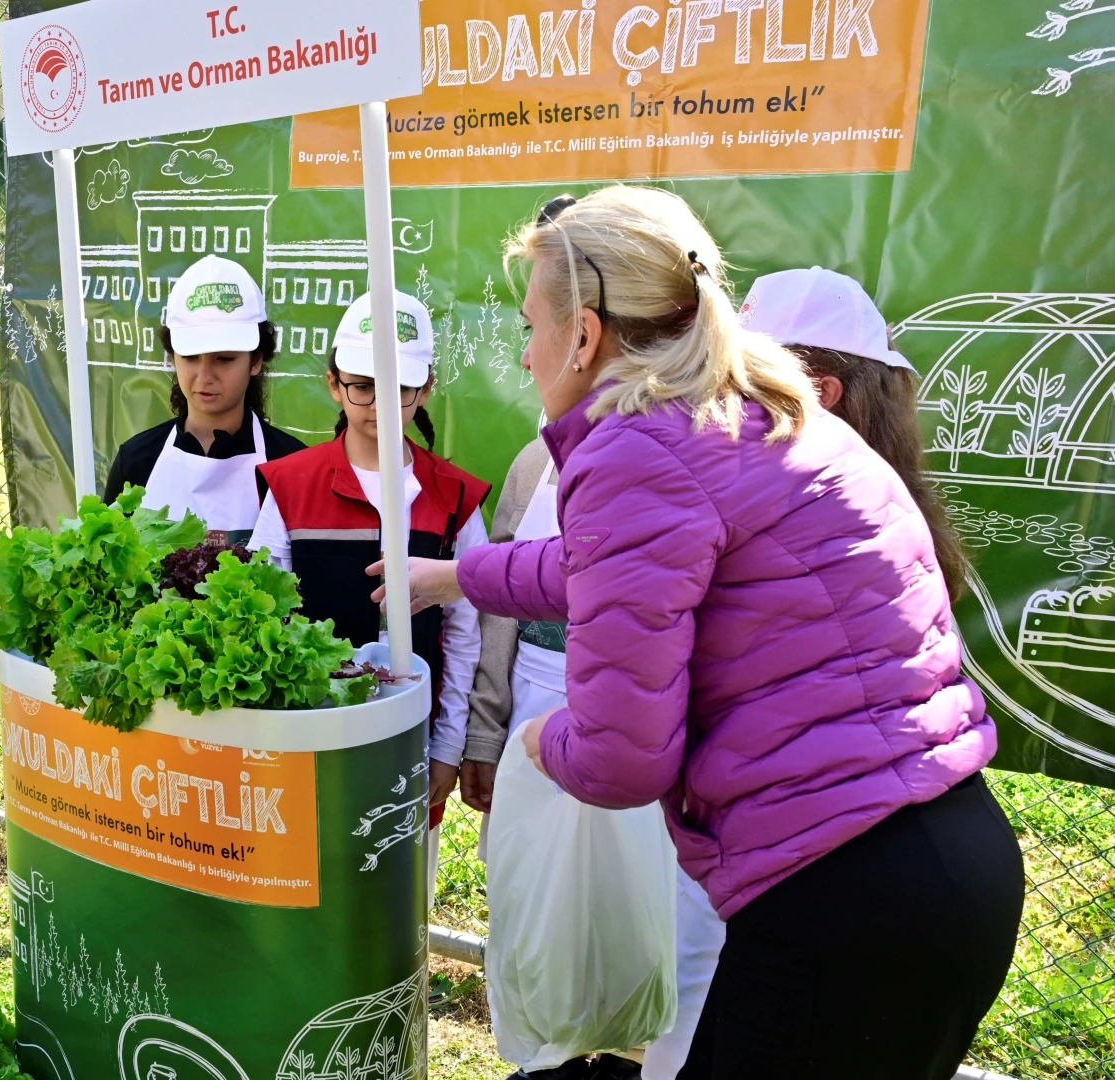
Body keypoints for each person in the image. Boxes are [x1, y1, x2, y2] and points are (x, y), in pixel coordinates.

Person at [383, 187, 1024, 1080]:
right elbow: (611, 569)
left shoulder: (635, 444)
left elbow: (618, 760)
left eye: (532, 325)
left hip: (844, 898)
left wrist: (539, 740)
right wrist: (453, 576)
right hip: (934, 862)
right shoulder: (745, 413)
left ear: (585, 334)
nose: (526, 352)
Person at [462, 433, 723, 1080]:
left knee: (626, 907)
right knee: (534, 899)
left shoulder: (678, 465)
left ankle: (623, 1055)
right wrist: (485, 733)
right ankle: (546, 1059)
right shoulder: (531, 462)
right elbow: (504, 607)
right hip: (530, 717)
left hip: (633, 731)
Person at [250, 290, 491, 897]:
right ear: (334, 384)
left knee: (400, 896)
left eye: (402, 388)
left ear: (427, 388)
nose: (383, 404)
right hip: (309, 734)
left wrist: (448, 745)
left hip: (411, 738)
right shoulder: (291, 485)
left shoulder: (455, 497)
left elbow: (464, 634)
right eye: (364, 385)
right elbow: (260, 605)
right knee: (311, 886)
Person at [739, 265, 972, 599]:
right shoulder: (893, 506)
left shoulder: (824, 519)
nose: (723, 400)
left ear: (822, 393)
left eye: (749, 383)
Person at [103, 254, 305, 546]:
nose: (204, 376)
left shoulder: (293, 466)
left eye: (224, 359)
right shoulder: (135, 461)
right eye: (191, 357)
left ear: (256, 361)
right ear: (172, 356)